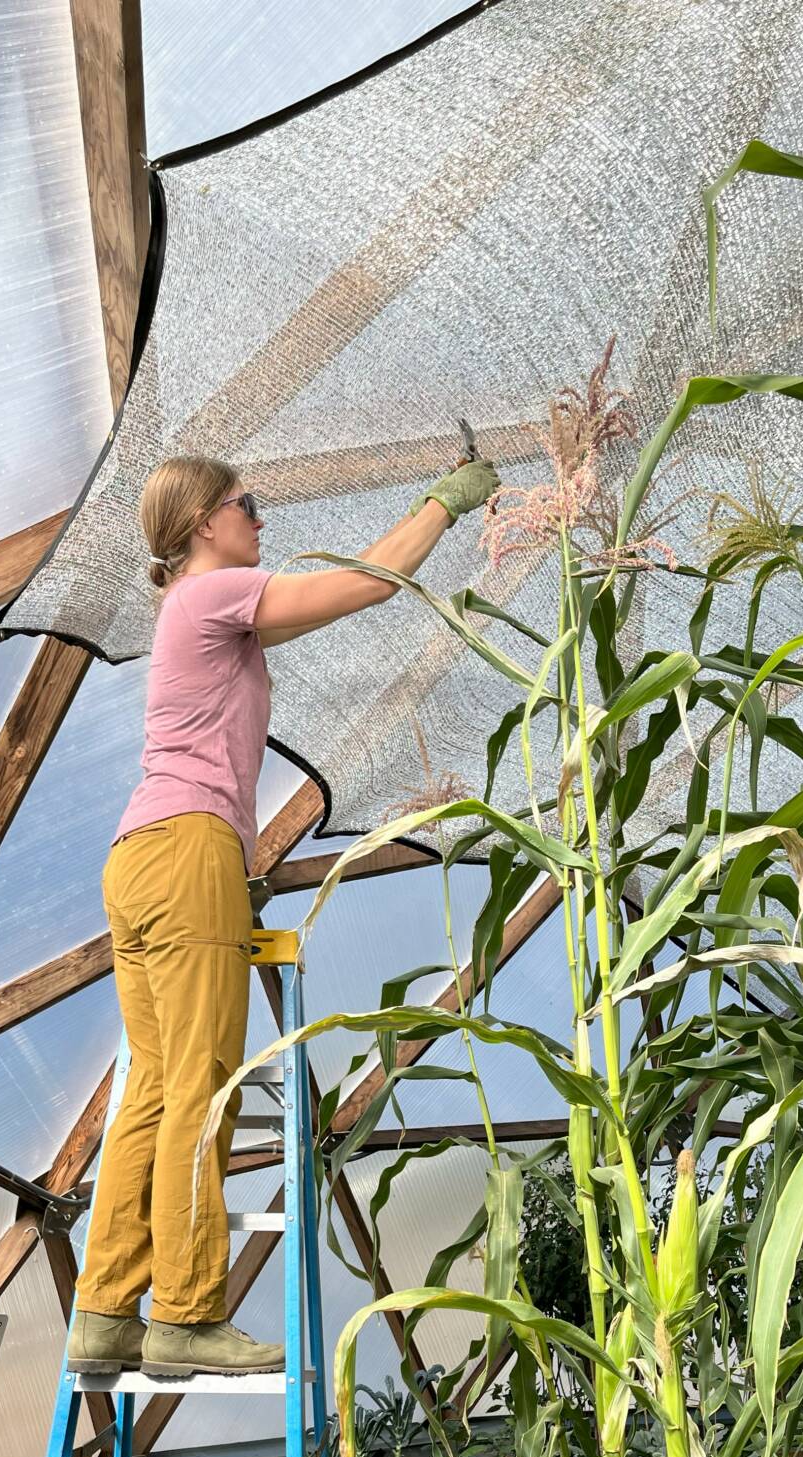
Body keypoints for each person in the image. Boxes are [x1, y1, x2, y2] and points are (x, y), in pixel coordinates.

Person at [68, 447, 499, 1377]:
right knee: (206, 1079)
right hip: (188, 851)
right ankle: (184, 1315)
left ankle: (106, 1312)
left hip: (139, 857)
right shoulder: (208, 594)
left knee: (152, 1085)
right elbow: (367, 586)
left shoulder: (196, 615)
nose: (258, 518)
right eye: (245, 504)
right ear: (200, 527)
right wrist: (447, 501)